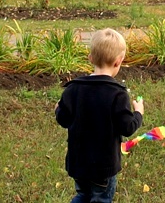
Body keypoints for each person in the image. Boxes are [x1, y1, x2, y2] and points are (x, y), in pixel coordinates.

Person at [55, 28, 144, 202]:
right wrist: (138, 112)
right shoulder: (118, 94)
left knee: (84, 195)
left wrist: (58, 109)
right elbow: (127, 127)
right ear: (118, 62)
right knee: (100, 198)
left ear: (91, 58)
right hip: (103, 168)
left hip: (78, 163)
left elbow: (63, 119)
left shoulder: (73, 89)